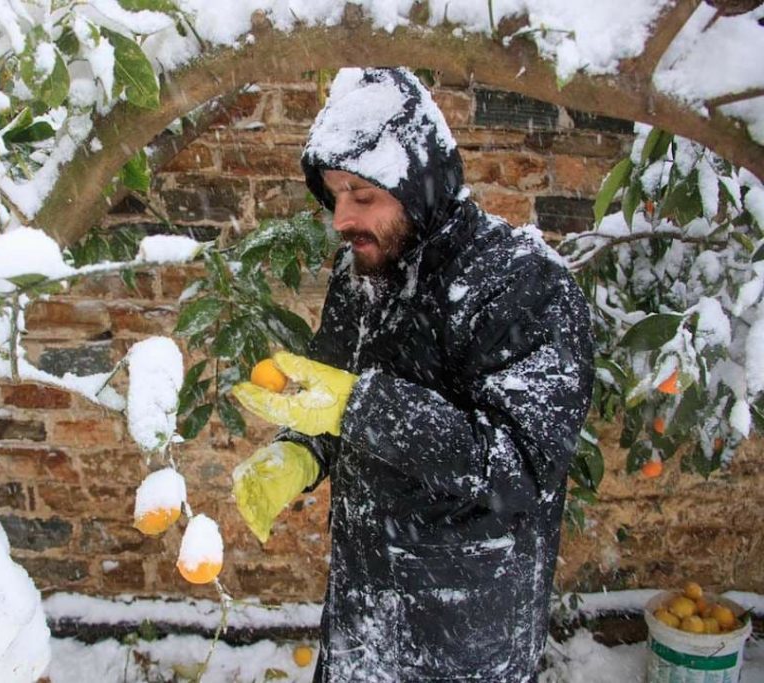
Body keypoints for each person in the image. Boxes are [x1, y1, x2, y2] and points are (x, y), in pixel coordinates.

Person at [231, 67, 594, 682]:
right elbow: (330, 399)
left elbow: (519, 466)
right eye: (334, 195)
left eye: (362, 195)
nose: (342, 218)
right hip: (362, 618)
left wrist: (360, 408)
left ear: (418, 181)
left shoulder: (523, 283)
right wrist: (298, 453)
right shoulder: (362, 274)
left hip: (468, 629)